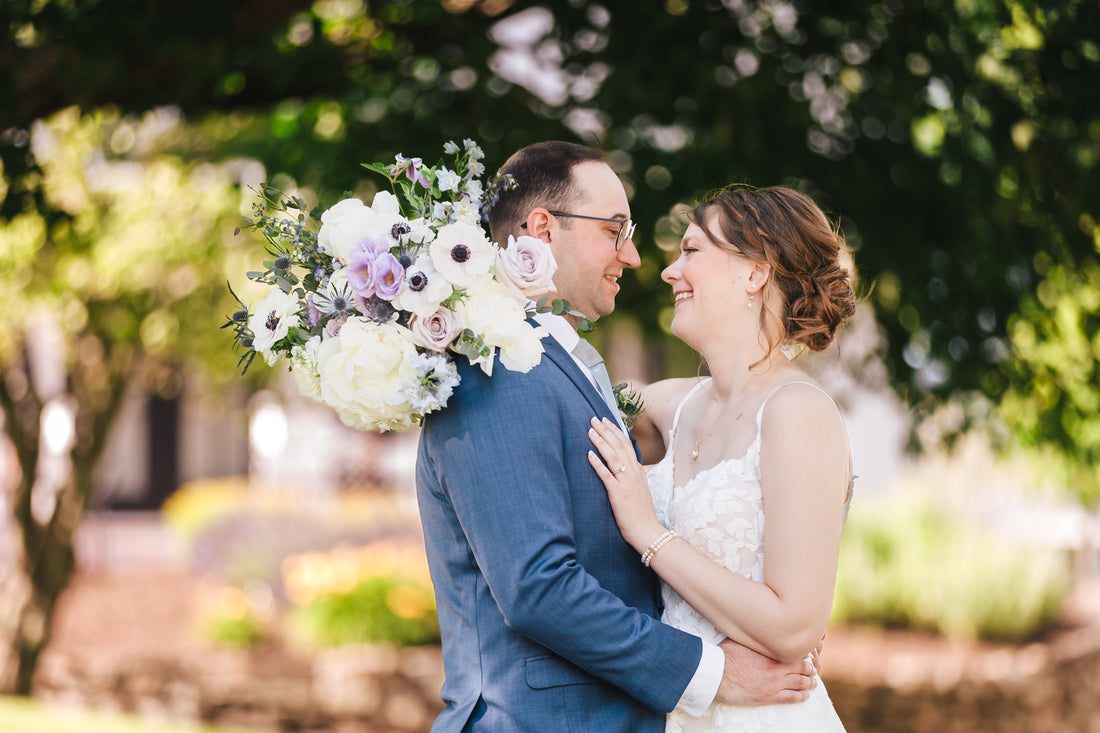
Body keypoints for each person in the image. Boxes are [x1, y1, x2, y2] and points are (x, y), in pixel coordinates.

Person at [415, 144, 818, 732]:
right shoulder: (494, 363)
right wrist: (712, 673)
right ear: (543, 229)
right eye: (615, 230)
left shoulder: (562, 363)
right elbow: (537, 587)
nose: (633, 256)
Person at [587, 185, 856, 731]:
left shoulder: (797, 412)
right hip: (677, 710)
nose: (668, 272)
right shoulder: (669, 404)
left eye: (691, 251)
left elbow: (793, 627)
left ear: (755, 271)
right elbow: (577, 399)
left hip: (763, 716)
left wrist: (649, 532)